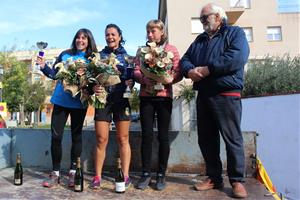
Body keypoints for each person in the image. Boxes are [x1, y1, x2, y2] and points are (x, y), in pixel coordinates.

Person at [180, 3, 250, 198]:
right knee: (207, 139)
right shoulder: (200, 40)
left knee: (232, 138)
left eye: (205, 18)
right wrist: (189, 70)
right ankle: (214, 177)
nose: (202, 22)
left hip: (227, 94)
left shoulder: (234, 33)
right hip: (204, 95)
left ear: (219, 17)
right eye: (201, 19)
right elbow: (185, 59)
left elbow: (237, 57)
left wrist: (208, 69)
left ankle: (237, 180)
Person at [36, 28, 98, 188]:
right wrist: (43, 67)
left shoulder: (92, 58)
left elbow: (94, 81)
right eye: (78, 37)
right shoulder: (65, 54)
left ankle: (72, 172)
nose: (80, 40)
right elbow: (55, 74)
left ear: (89, 41)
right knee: (56, 137)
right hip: (60, 101)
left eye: (84, 38)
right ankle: (55, 173)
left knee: (77, 137)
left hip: (79, 103)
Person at [134, 19, 182, 191]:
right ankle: (145, 173)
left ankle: (161, 174)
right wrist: (145, 79)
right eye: (148, 31)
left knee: (163, 136)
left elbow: (178, 71)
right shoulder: (142, 50)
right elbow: (136, 70)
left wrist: (169, 79)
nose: (150, 34)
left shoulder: (172, 50)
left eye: (153, 31)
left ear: (162, 32)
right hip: (146, 97)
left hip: (164, 97)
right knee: (146, 135)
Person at [90, 24, 133, 190]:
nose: (110, 37)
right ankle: (97, 176)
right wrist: (93, 87)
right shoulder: (98, 56)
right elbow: (91, 79)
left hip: (122, 100)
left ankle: (126, 175)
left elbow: (131, 78)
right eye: (107, 34)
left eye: (113, 34)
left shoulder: (128, 57)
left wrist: (131, 82)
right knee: (101, 139)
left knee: (123, 139)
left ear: (119, 36)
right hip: (103, 101)